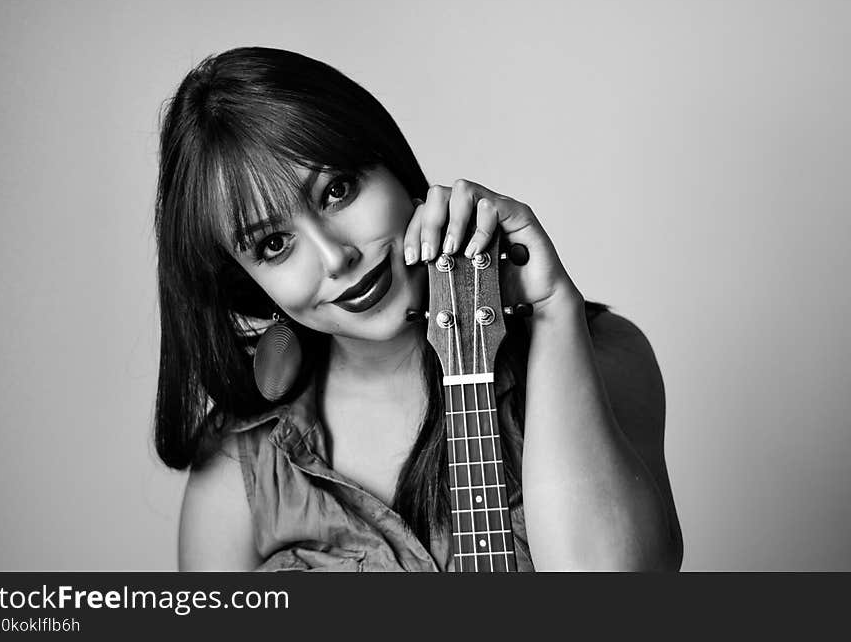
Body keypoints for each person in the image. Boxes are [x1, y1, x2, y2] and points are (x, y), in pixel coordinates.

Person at [154, 46, 682, 571]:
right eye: (273, 245)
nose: (337, 256)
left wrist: (550, 309)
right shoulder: (238, 461)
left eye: (337, 191)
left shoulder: (601, 352)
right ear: (246, 281)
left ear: (390, 164)